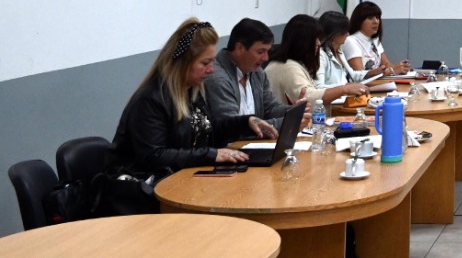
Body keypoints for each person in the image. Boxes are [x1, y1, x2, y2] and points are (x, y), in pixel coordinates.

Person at [107, 19, 275, 192]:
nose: (211, 70)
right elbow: (154, 156)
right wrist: (212, 154)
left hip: (179, 181)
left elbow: (209, 130)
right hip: (144, 189)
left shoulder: (191, 91)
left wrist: (246, 122)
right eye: (205, 63)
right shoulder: (151, 99)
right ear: (183, 62)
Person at [205, 17, 294, 128]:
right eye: (260, 52)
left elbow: (269, 108)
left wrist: (294, 111)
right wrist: (288, 122)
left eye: (267, 51)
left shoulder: (257, 73)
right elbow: (233, 127)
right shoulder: (217, 77)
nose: (266, 58)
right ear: (240, 48)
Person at [266, 14, 367, 107]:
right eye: (315, 39)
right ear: (303, 41)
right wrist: (344, 89)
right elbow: (310, 97)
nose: (319, 43)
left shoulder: (293, 64)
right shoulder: (288, 67)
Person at [342, 1, 412, 77]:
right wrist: (391, 70)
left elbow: (386, 65)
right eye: (370, 18)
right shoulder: (351, 41)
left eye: (377, 18)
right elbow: (360, 75)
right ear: (359, 21)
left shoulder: (375, 40)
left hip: (377, 82)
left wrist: (400, 67)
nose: (376, 22)